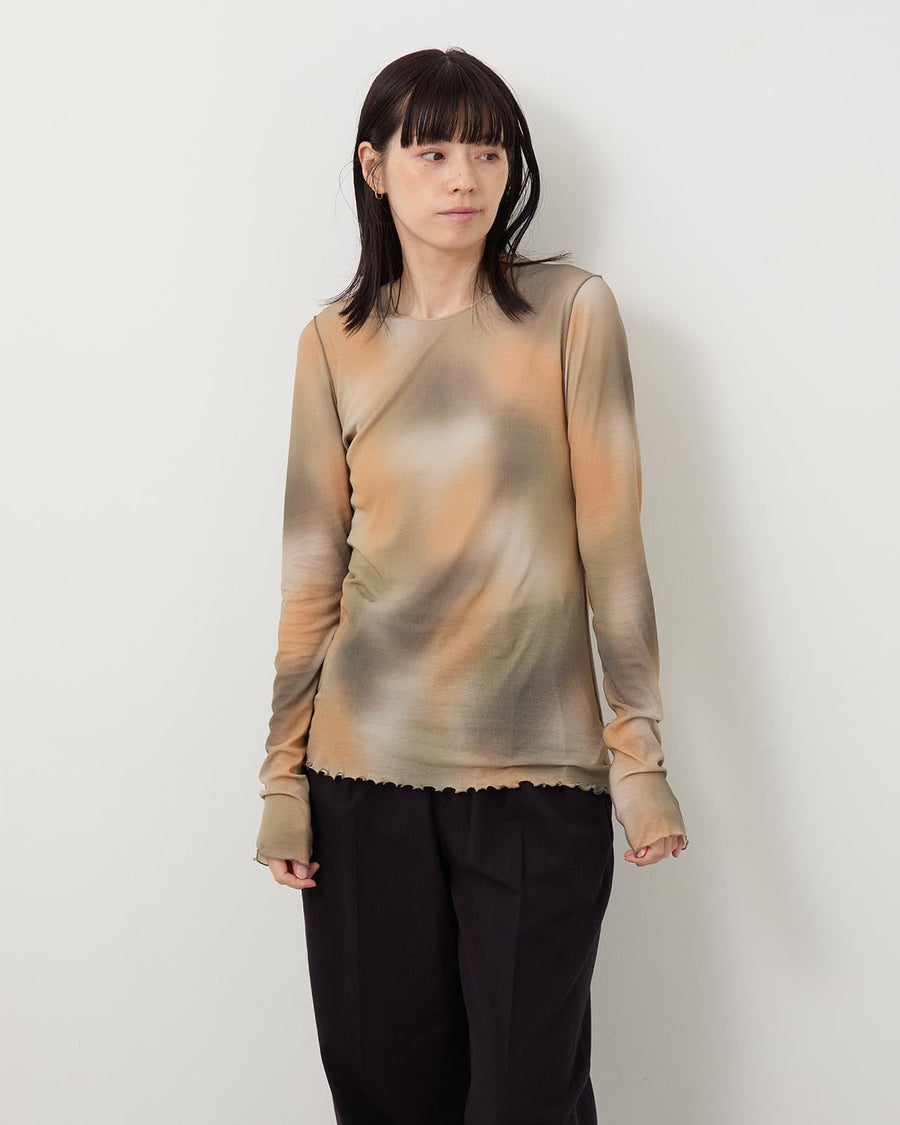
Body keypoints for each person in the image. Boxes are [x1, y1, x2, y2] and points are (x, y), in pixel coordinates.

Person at [253, 46, 689, 1125]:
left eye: (488, 154)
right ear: (375, 168)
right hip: (361, 779)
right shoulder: (332, 344)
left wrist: (638, 757)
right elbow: (311, 574)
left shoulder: (572, 312)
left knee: (527, 1098)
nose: (465, 178)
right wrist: (281, 781)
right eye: (434, 152)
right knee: (386, 1096)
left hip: (538, 777)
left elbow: (613, 551)